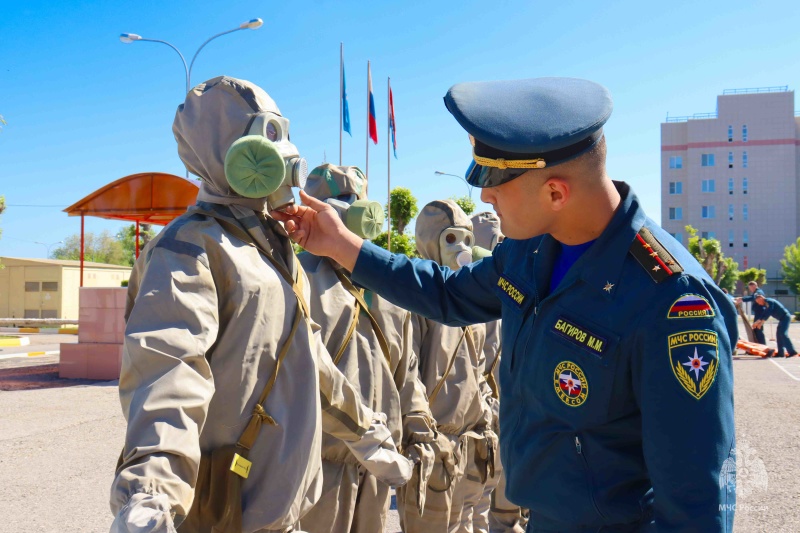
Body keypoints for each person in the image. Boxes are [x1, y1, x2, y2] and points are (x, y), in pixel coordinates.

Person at [273, 77, 738, 531]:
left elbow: (694, 503)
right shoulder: (531, 249)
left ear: (556, 192)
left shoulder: (672, 301)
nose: (484, 196)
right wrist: (342, 244)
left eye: (496, 182)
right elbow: (448, 294)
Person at [110, 76, 410, 533]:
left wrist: (372, 439)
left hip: (284, 513)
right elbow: (167, 370)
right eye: (265, 136)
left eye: (281, 132)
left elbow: (311, 365)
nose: (284, 150)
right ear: (224, 152)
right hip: (227, 514)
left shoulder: (272, 251)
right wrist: (152, 494)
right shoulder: (191, 247)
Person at [296, 163, 442, 533]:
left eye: (354, 200)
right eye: (338, 201)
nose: (349, 209)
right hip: (316, 469)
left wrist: (420, 431)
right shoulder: (295, 280)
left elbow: (407, 373)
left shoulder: (388, 290)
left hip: (378, 468)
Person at [394, 199, 496, 533]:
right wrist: (423, 437)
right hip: (432, 448)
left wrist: (484, 425)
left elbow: (478, 373)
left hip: (470, 446)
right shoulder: (415, 298)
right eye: (451, 239)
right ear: (429, 240)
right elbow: (407, 373)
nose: (462, 248)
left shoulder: (470, 301)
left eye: (467, 239)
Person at [470, 211, 528, 533]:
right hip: (488, 419)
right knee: (486, 510)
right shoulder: (477, 295)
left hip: (509, 416)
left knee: (508, 509)